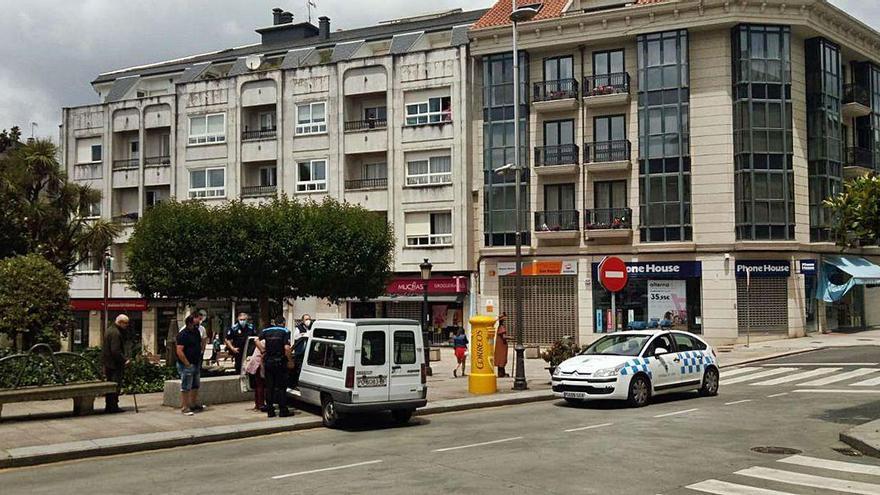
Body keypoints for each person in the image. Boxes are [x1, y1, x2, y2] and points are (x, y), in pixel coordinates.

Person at [257, 316, 292, 418]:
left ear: (275, 323)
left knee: (269, 387)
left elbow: (256, 340)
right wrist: (290, 360)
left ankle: (270, 411)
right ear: (283, 323)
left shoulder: (266, 330)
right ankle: (283, 410)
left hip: (268, 362)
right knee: (281, 387)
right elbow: (286, 348)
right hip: (280, 362)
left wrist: (263, 350)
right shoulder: (285, 331)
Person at [102, 314, 130, 413]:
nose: (127, 325)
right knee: (115, 385)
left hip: (108, 363)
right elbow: (115, 350)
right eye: (125, 323)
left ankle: (109, 405)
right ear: (120, 322)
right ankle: (113, 406)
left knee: (111, 385)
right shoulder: (116, 333)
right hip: (114, 364)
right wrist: (124, 360)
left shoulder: (110, 330)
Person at [175, 314, 202, 416]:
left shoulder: (196, 332)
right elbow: (179, 351)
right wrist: (187, 363)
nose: (197, 326)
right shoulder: (183, 334)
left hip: (196, 362)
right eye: (195, 324)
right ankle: (185, 407)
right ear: (190, 323)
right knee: (186, 385)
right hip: (186, 364)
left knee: (195, 385)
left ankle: (193, 404)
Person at [290, 314, 311, 389]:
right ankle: (296, 385)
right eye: (306, 319)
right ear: (302, 321)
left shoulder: (311, 327)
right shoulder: (299, 328)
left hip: (308, 354)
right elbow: (296, 337)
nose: (308, 321)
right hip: (300, 353)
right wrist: (303, 335)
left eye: (309, 319)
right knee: (298, 369)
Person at [245, 345, 266, 412]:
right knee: (260, 386)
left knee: (258, 386)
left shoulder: (260, 342)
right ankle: (261, 405)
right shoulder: (265, 342)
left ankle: (258, 404)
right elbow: (263, 355)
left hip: (255, 364)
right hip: (259, 364)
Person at [494, 313, 509, 378]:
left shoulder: (500, 327)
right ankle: (501, 373)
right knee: (501, 359)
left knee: (501, 359)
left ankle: (502, 373)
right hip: (501, 346)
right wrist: (512, 337)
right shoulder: (501, 327)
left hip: (500, 345)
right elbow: (504, 336)